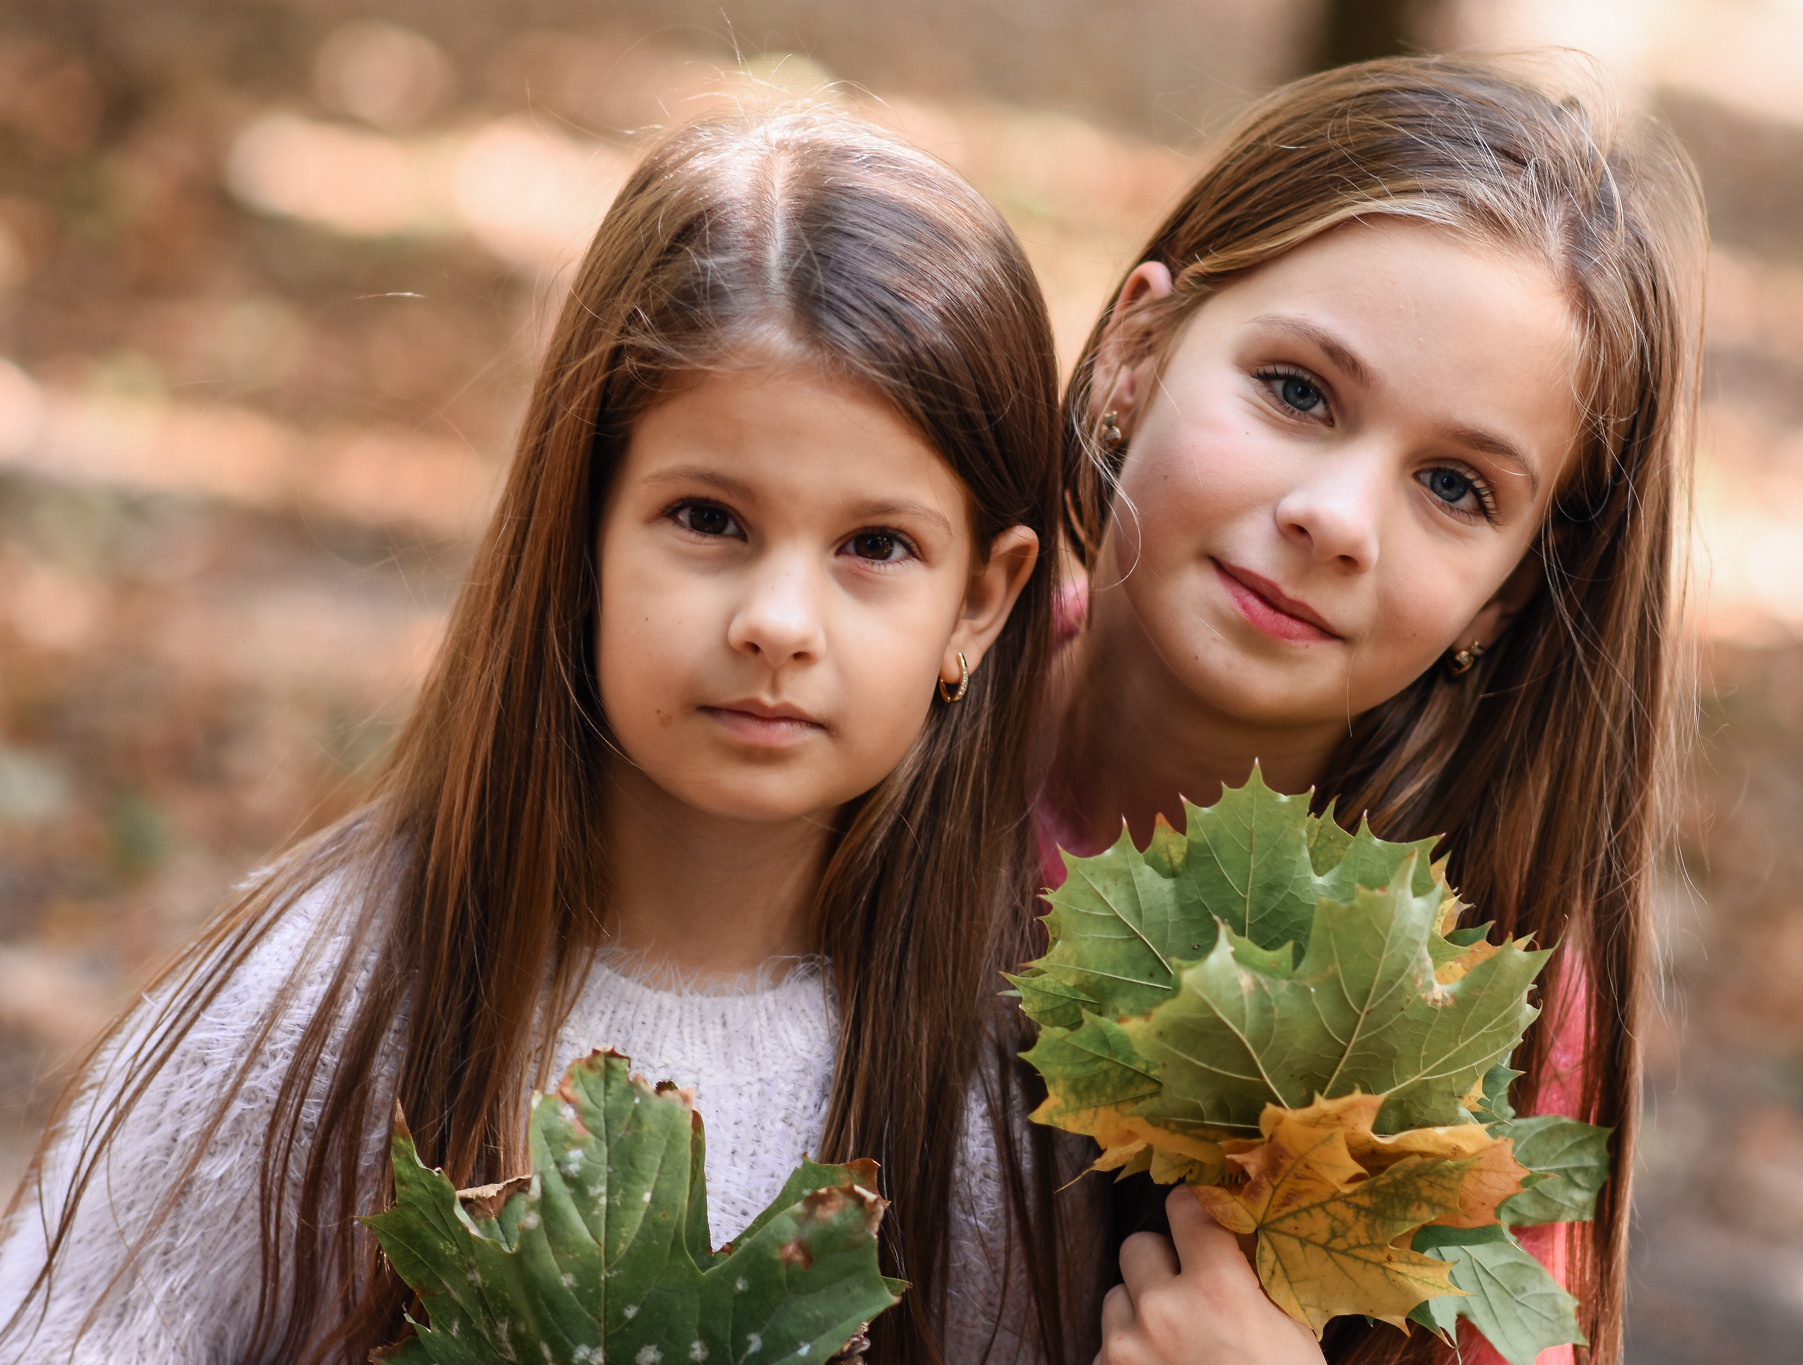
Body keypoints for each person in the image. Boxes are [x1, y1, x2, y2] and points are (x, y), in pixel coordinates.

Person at [0, 107, 1094, 1365]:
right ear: (578, 527)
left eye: (874, 547)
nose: (777, 622)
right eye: (707, 518)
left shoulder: (993, 1104)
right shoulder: (325, 1003)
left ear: (980, 600)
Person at [1039, 57, 1706, 1365]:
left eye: (1455, 486)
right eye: (1296, 392)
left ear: (1504, 602)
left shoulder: (1474, 992)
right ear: (1136, 353)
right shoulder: (860, 731)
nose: (1335, 520)